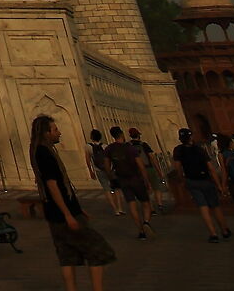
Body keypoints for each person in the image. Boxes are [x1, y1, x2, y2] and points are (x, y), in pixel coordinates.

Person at [31, 113, 116, 290]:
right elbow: (52, 185)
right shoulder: (44, 152)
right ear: (46, 133)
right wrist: (68, 214)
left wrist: (77, 208)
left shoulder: (40, 150)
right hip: (63, 214)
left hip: (56, 213)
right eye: (55, 130)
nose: (59, 133)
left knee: (66, 255)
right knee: (97, 251)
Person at [170, 129, 229, 241]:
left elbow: (178, 168)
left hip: (191, 181)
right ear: (191, 137)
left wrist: (182, 179)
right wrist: (219, 185)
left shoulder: (178, 150)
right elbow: (211, 168)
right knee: (215, 206)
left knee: (203, 207)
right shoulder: (199, 150)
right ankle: (224, 230)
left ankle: (213, 233)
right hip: (206, 180)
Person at [104, 126, 155, 236]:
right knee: (145, 203)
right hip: (135, 178)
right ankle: (146, 222)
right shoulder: (130, 148)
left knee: (132, 205)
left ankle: (141, 231)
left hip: (123, 180)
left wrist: (111, 178)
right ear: (122, 134)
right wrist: (147, 181)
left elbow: (107, 167)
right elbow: (141, 166)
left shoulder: (109, 149)